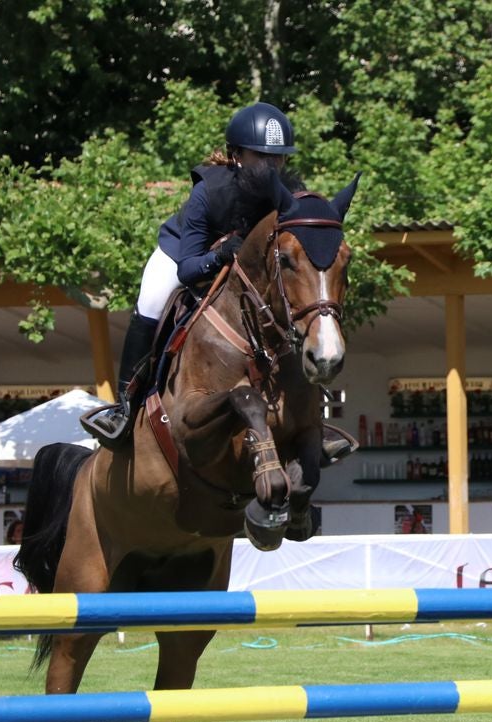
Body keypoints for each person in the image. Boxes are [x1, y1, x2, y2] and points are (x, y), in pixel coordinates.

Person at [84, 102, 353, 463]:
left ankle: (310, 423)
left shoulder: (291, 194)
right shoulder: (208, 192)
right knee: (151, 301)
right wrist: (222, 253)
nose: (271, 167)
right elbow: (188, 268)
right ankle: (125, 406)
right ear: (236, 155)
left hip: (246, 274)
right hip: (185, 255)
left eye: (278, 159)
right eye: (261, 156)